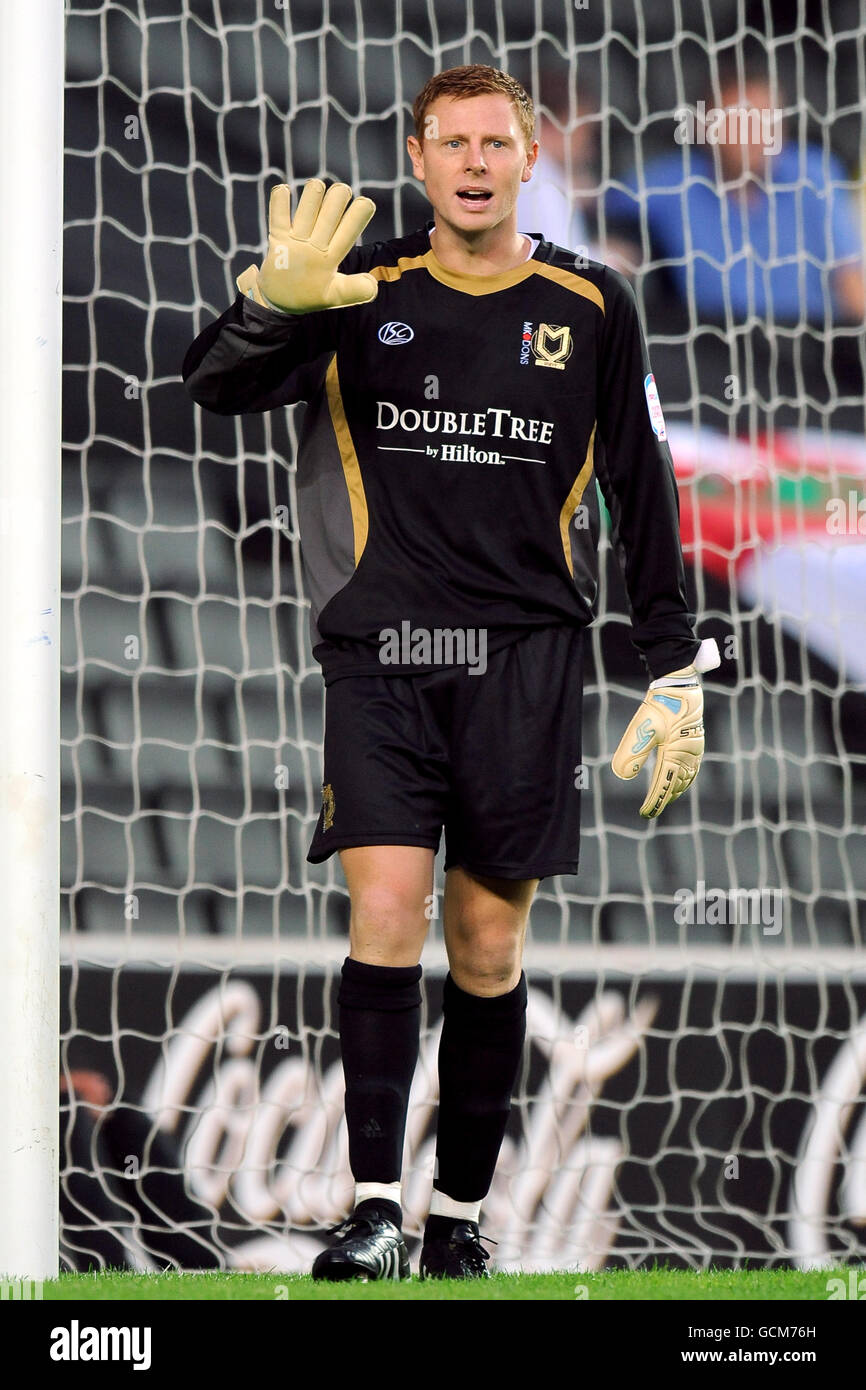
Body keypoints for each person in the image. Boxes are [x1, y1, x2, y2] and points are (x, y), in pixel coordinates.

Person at [183, 63, 719, 1282]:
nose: (473, 160)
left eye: (494, 140)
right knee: (383, 912)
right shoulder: (350, 289)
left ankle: (459, 1220)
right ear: (417, 158)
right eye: (450, 141)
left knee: (483, 946)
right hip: (382, 655)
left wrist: (671, 665)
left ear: (528, 159)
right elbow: (208, 386)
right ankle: (371, 1207)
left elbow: (639, 487)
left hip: (528, 659)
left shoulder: (591, 302)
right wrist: (274, 300)